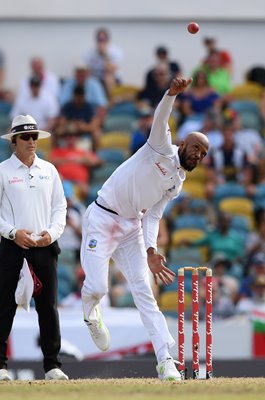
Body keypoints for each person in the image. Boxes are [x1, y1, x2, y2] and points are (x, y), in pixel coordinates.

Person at [80, 76, 209, 381]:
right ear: (183, 143)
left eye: (203, 154)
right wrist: (171, 95)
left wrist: (152, 251)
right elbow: (160, 117)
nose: (198, 156)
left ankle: (166, 361)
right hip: (101, 217)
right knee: (98, 287)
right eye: (196, 148)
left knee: (145, 293)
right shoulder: (161, 146)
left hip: (132, 228)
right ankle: (90, 311)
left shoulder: (178, 182)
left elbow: (152, 217)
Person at [0, 115, 68, 381]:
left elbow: (60, 207)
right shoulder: (3, 170)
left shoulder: (49, 170)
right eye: (25, 138)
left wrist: (50, 235)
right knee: (3, 305)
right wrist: (13, 233)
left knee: (48, 307)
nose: (31, 142)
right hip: (12, 245)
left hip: (43, 244)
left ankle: (53, 366)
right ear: (14, 142)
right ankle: (0, 366)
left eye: (34, 137)